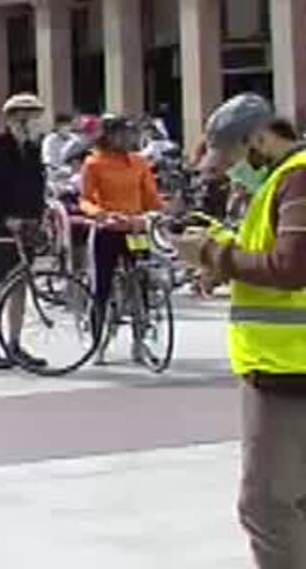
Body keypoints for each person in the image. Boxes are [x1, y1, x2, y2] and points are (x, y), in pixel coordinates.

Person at [173, 93, 306, 568]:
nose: (231, 170)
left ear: (259, 139)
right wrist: (223, 258)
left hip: (289, 367)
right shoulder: (281, 181)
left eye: (232, 157)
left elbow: (292, 267)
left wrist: (214, 254)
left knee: (267, 508)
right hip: (281, 363)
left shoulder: (296, 179)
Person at [0, 94, 49, 370]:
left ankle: (14, 344)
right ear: (11, 118)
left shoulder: (32, 148)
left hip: (27, 223)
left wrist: (39, 216)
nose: (27, 121)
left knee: (20, 285)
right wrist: (5, 217)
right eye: (22, 116)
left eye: (32, 116)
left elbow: (37, 184)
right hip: (0, 224)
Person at [78, 113, 162, 352]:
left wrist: (157, 214)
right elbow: (85, 200)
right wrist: (101, 215)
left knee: (142, 281)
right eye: (122, 133)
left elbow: (151, 198)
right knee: (101, 285)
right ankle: (97, 341)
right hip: (107, 229)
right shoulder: (93, 163)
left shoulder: (139, 163)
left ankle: (140, 339)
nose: (128, 138)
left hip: (135, 229)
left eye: (130, 133)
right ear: (108, 136)